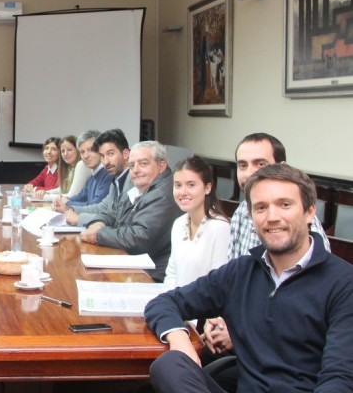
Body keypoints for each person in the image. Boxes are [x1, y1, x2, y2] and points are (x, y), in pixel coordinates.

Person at [145, 164, 353, 392]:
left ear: (310, 211)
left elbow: (339, 378)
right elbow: (164, 302)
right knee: (170, 364)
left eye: (285, 205)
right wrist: (178, 337)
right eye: (261, 208)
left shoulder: (343, 283)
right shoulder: (240, 272)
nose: (272, 217)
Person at [80, 141, 181, 282]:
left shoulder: (164, 193)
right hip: (132, 266)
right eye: (132, 165)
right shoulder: (139, 187)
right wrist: (99, 222)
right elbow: (113, 213)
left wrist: (99, 235)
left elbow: (140, 237)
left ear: (161, 166)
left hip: (151, 276)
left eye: (143, 164)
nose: (136, 170)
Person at [227, 132, 330, 259]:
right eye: (243, 165)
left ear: (282, 168)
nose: (249, 173)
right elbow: (233, 269)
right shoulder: (242, 210)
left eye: (260, 164)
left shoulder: (304, 222)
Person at [164, 156, 229, 290]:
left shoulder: (220, 227)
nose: (183, 192)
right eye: (178, 185)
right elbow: (172, 273)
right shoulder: (178, 224)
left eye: (191, 185)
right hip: (176, 304)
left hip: (203, 308)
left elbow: (217, 283)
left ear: (207, 188)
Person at [57, 128, 131, 227]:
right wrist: (71, 209)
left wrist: (77, 216)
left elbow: (115, 219)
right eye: (102, 156)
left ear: (126, 154)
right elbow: (102, 207)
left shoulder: (131, 180)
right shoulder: (116, 179)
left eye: (110, 154)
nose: (106, 161)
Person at [54, 130, 111, 207]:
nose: (86, 156)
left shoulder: (108, 174)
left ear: (101, 149)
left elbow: (96, 205)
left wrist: (67, 203)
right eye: (82, 152)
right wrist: (63, 199)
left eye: (90, 150)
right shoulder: (93, 175)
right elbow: (82, 196)